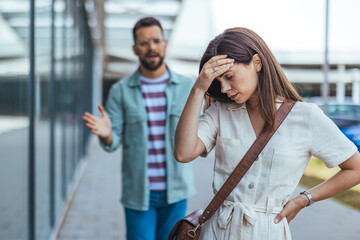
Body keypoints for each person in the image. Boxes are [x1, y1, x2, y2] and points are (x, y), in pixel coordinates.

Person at [174, 27, 360, 240]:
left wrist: (304, 199)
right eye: (218, 82)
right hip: (218, 231)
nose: (224, 88)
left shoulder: (305, 116)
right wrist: (198, 89)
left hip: (269, 231)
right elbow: (183, 153)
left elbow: (355, 168)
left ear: (256, 62)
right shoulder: (221, 112)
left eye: (229, 76)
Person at [82, 17, 195, 240]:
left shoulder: (188, 87)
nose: (151, 47)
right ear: (135, 49)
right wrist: (107, 135)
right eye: (144, 43)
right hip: (138, 193)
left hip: (177, 192)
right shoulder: (120, 91)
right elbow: (112, 142)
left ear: (164, 43)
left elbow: (201, 133)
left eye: (156, 40)